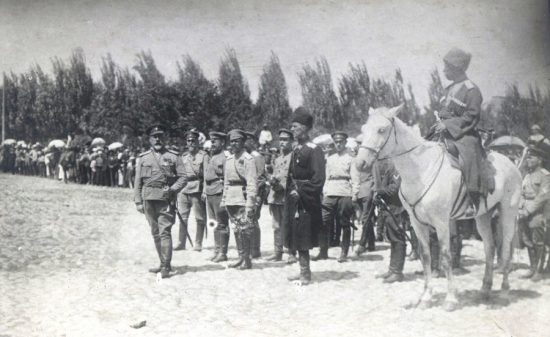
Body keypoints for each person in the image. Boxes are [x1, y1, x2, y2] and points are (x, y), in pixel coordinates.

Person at [433, 47, 485, 212]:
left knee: (467, 158)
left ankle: (472, 199)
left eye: (447, 67)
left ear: (457, 68)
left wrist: (448, 125)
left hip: (464, 134)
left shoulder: (472, 90)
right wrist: (440, 121)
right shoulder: (448, 89)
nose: (444, 70)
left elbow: (472, 116)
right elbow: (445, 111)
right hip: (444, 131)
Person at [134, 125, 186, 278]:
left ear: (165, 139)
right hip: (148, 198)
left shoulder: (173, 156)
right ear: (149, 139)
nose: (157, 139)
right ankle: (162, 262)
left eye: (160, 136)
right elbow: (138, 181)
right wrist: (138, 200)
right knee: (155, 233)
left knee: (164, 232)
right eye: (154, 137)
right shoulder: (143, 158)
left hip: (165, 199)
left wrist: (172, 189)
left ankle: (166, 266)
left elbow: (183, 177)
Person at [283, 107, 326, 285]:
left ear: (305, 128)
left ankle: (305, 273)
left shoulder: (314, 149)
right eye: (292, 127)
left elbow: (318, 179)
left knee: (304, 236)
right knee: (295, 235)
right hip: (294, 199)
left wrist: (301, 192)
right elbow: (291, 175)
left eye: (295, 126)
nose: (292, 130)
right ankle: (302, 269)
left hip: (306, 201)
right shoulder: (296, 149)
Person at [317, 131, 359, 262]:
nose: (338, 144)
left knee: (344, 223)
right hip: (330, 191)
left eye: (341, 141)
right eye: (336, 142)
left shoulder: (351, 158)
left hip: (345, 191)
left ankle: (344, 252)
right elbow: (327, 176)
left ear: (345, 142)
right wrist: (325, 190)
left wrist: (355, 195)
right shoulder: (330, 158)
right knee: (324, 221)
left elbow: (355, 179)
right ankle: (323, 251)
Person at [221, 129, 257, 270]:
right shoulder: (229, 159)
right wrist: (224, 199)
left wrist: (250, 204)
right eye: (232, 141)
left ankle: (247, 260)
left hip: (242, 198)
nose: (234, 144)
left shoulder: (248, 159)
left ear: (243, 142)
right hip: (231, 198)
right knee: (236, 229)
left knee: (245, 229)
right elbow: (226, 182)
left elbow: (252, 183)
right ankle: (240, 256)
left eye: (237, 141)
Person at [518, 144, 550, 281]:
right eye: (528, 157)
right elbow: (521, 192)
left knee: (538, 242)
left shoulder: (545, 176)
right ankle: (532, 268)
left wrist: (528, 210)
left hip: (538, 213)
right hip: (524, 211)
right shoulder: (527, 175)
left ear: (540, 160)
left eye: (532, 158)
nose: (528, 160)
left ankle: (539, 270)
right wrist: (520, 207)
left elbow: (542, 197)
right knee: (527, 240)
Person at [265, 129, 297, 263]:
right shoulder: (277, 159)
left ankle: (291, 252)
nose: (282, 142)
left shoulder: (294, 157)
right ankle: (277, 252)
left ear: (291, 141)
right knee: (276, 225)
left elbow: (295, 178)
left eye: (286, 140)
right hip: (275, 196)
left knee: (289, 225)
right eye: (281, 140)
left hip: (287, 196)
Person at [373, 161, 407, 283]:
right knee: (393, 239)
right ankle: (392, 269)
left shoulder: (398, 165)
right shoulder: (391, 164)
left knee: (398, 238)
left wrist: (380, 191)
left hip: (397, 207)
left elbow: (394, 187)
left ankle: (397, 272)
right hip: (389, 206)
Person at [174, 130, 208, 251]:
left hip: (197, 188)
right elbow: (178, 174)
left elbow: (206, 175)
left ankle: (198, 243)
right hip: (183, 189)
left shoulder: (203, 156)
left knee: (199, 217)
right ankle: (181, 242)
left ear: (198, 142)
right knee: (183, 217)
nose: (191, 143)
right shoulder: (183, 156)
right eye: (188, 140)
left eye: (193, 140)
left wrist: (204, 191)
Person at [203, 131, 230, 262]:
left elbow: (227, 179)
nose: (212, 143)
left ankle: (223, 253)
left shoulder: (225, 158)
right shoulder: (212, 157)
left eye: (215, 141)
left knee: (222, 224)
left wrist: (225, 196)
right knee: (213, 223)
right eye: (211, 141)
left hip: (219, 192)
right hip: (210, 192)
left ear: (223, 142)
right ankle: (217, 250)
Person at [245, 130, 267, 258]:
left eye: (248, 140)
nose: (245, 143)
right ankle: (248, 249)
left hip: (256, 193)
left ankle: (255, 250)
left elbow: (260, 178)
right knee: (246, 220)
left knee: (253, 220)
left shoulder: (257, 157)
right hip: (247, 192)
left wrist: (257, 195)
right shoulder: (246, 156)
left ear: (252, 141)